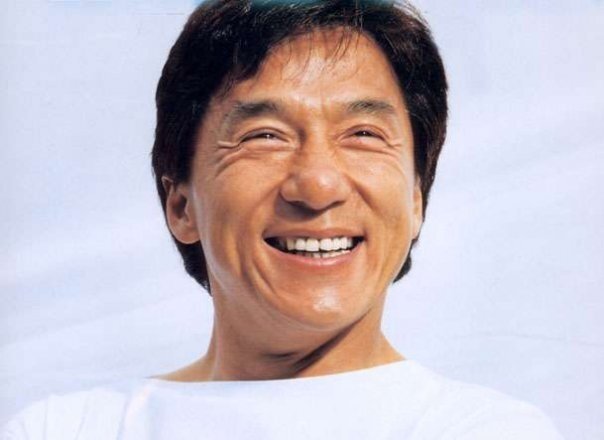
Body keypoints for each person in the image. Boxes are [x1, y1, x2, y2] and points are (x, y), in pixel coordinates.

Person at [2, 0, 564, 438]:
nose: (318, 185)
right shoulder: (69, 429)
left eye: (363, 134)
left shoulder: (486, 429)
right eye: (264, 136)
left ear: (416, 199)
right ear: (181, 205)